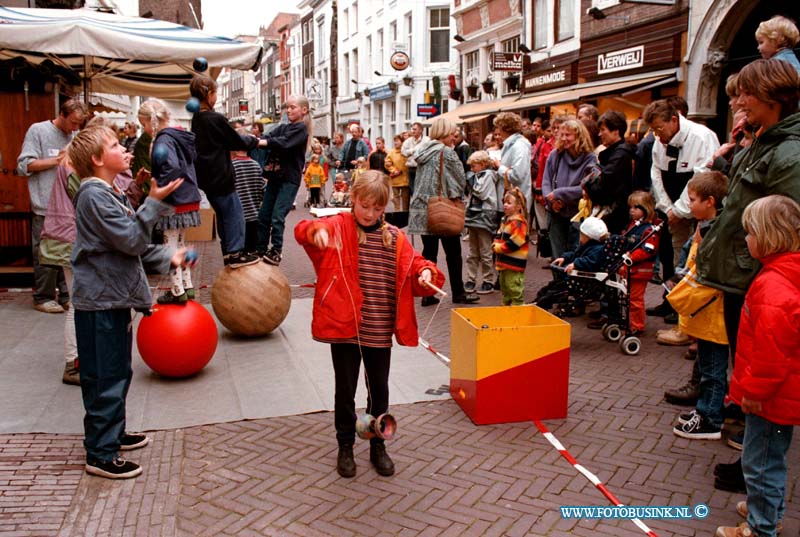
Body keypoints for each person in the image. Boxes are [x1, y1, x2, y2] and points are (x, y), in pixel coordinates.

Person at [294, 170, 444, 479]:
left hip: (378, 328)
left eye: (378, 208)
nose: (371, 213)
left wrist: (425, 272)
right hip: (345, 329)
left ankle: (378, 446)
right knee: (344, 390)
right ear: (353, 199)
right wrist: (315, 233)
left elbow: (416, 263)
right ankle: (345, 445)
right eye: (365, 206)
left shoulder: (395, 237)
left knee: (379, 391)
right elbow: (304, 228)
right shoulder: (337, 225)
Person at [694, 60, 800, 493]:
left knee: (765, 375)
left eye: (744, 95)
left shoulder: (789, 153)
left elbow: (787, 228)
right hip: (746, 276)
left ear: (771, 99)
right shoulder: (762, 140)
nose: (735, 101)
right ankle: (750, 457)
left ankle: (759, 472)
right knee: (747, 367)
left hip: (761, 279)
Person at [68, 125, 192, 479]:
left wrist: (169, 253)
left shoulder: (108, 191)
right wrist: (152, 202)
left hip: (112, 299)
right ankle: (101, 454)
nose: (124, 149)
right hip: (101, 303)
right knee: (104, 378)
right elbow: (131, 240)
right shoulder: (93, 196)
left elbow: (126, 243)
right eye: (114, 145)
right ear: (96, 160)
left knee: (117, 373)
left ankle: (113, 434)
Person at [715, 195, 800, 537]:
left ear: (767, 236)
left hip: (770, 397)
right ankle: (768, 509)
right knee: (771, 457)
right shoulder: (786, 273)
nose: (746, 239)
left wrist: (751, 392)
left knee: (760, 462)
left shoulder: (771, 287)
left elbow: (770, 355)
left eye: (749, 233)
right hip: (781, 393)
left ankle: (761, 526)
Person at [669, 171, 729, 441]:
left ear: (710, 202)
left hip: (713, 312)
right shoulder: (704, 226)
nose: (689, 205)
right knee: (706, 365)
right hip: (705, 314)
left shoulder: (715, 232)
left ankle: (710, 418)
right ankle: (704, 410)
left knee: (714, 369)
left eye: (692, 200)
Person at [17, 98, 88, 314]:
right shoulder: (38, 131)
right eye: (73, 122)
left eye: (79, 124)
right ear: (62, 115)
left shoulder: (74, 135)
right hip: (45, 205)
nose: (75, 128)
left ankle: (66, 295)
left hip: (68, 206)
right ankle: (43, 296)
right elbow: (24, 165)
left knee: (65, 251)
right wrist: (56, 161)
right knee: (45, 253)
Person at [190, 74, 262, 268]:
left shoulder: (196, 119)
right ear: (209, 94)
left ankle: (228, 252)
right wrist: (255, 141)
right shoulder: (215, 118)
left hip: (206, 177)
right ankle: (236, 253)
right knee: (235, 214)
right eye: (215, 93)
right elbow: (235, 141)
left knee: (222, 214)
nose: (216, 98)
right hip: (220, 175)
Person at [409, 117, 479, 306]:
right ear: (443, 134)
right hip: (443, 208)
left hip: (423, 208)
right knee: (453, 253)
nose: (454, 138)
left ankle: (427, 293)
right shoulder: (447, 153)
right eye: (451, 134)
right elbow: (459, 179)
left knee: (429, 253)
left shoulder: (422, 150)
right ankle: (459, 292)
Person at [142, 98, 202, 305]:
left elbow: (171, 167)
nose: (144, 129)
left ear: (150, 122)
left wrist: (159, 188)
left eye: (143, 125)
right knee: (181, 243)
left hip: (173, 200)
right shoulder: (180, 136)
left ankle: (177, 291)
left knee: (170, 246)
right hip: (188, 197)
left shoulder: (163, 139)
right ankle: (187, 285)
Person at [255, 94, 312, 266]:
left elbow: (283, 143)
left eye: (292, 107)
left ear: (303, 110)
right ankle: (260, 248)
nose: (288, 110)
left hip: (289, 179)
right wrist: (257, 140)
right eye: (287, 107)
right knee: (263, 215)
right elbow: (271, 136)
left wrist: (262, 143)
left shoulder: (301, 129)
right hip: (275, 177)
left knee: (277, 216)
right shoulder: (284, 127)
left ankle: (276, 250)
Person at [541, 119, 598, 258]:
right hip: (556, 211)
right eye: (563, 135)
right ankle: (558, 279)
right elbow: (546, 180)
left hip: (577, 213)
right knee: (557, 253)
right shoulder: (556, 154)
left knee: (574, 253)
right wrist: (551, 200)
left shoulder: (590, 158)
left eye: (569, 135)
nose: (564, 138)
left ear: (579, 136)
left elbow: (586, 187)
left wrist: (560, 193)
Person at [618, 191, 659, 337]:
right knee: (626, 297)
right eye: (631, 207)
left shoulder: (649, 230)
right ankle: (629, 321)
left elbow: (648, 250)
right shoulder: (632, 225)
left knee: (635, 299)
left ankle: (637, 325)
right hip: (628, 269)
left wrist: (631, 256)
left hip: (640, 271)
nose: (632, 210)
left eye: (636, 207)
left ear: (646, 209)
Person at [464, 151, 500, 295]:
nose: (472, 168)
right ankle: (471, 278)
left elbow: (481, 193)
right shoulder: (477, 175)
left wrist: (471, 181)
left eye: (474, 165)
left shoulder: (488, 176)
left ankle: (488, 280)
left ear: (483, 164)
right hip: (473, 216)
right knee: (472, 252)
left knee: (485, 251)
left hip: (484, 215)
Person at [595, 110, 635, 234]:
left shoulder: (620, 154)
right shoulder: (616, 153)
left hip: (615, 212)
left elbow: (604, 183)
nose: (599, 134)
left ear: (616, 131)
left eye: (603, 130)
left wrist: (588, 184)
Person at [492, 187, 529, 306]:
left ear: (518, 207)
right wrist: (495, 243)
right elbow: (499, 235)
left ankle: (518, 314)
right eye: (504, 202)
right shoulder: (506, 220)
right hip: (504, 263)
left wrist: (499, 248)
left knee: (514, 289)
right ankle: (506, 312)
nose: (505, 205)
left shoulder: (518, 222)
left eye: (509, 203)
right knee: (505, 289)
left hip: (514, 264)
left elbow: (516, 242)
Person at [491, 113, 532, 212]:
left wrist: (499, 167)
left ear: (505, 128)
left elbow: (517, 175)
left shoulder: (519, 145)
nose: (498, 130)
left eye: (499, 127)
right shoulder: (510, 144)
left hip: (516, 203)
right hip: (510, 202)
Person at [231, 141, 265, 254]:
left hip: (238, 217)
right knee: (252, 252)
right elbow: (262, 189)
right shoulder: (256, 165)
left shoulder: (232, 166)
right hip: (254, 215)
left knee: (240, 254)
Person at [401, 122, 429, 193]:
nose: (413, 131)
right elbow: (403, 152)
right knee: (413, 190)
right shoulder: (408, 141)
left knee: (421, 189)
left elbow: (428, 153)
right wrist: (413, 150)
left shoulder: (427, 140)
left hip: (422, 168)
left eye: (415, 129)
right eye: (412, 129)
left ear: (421, 130)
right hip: (411, 169)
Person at [385, 135, 409, 212]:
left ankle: (405, 213)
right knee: (396, 197)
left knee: (405, 198)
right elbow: (387, 163)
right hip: (395, 178)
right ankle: (397, 212)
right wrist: (393, 170)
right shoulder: (391, 152)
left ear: (402, 142)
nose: (395, 143)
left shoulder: (405, 151)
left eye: (397, 141)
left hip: (405, 179)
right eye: (394, 141)